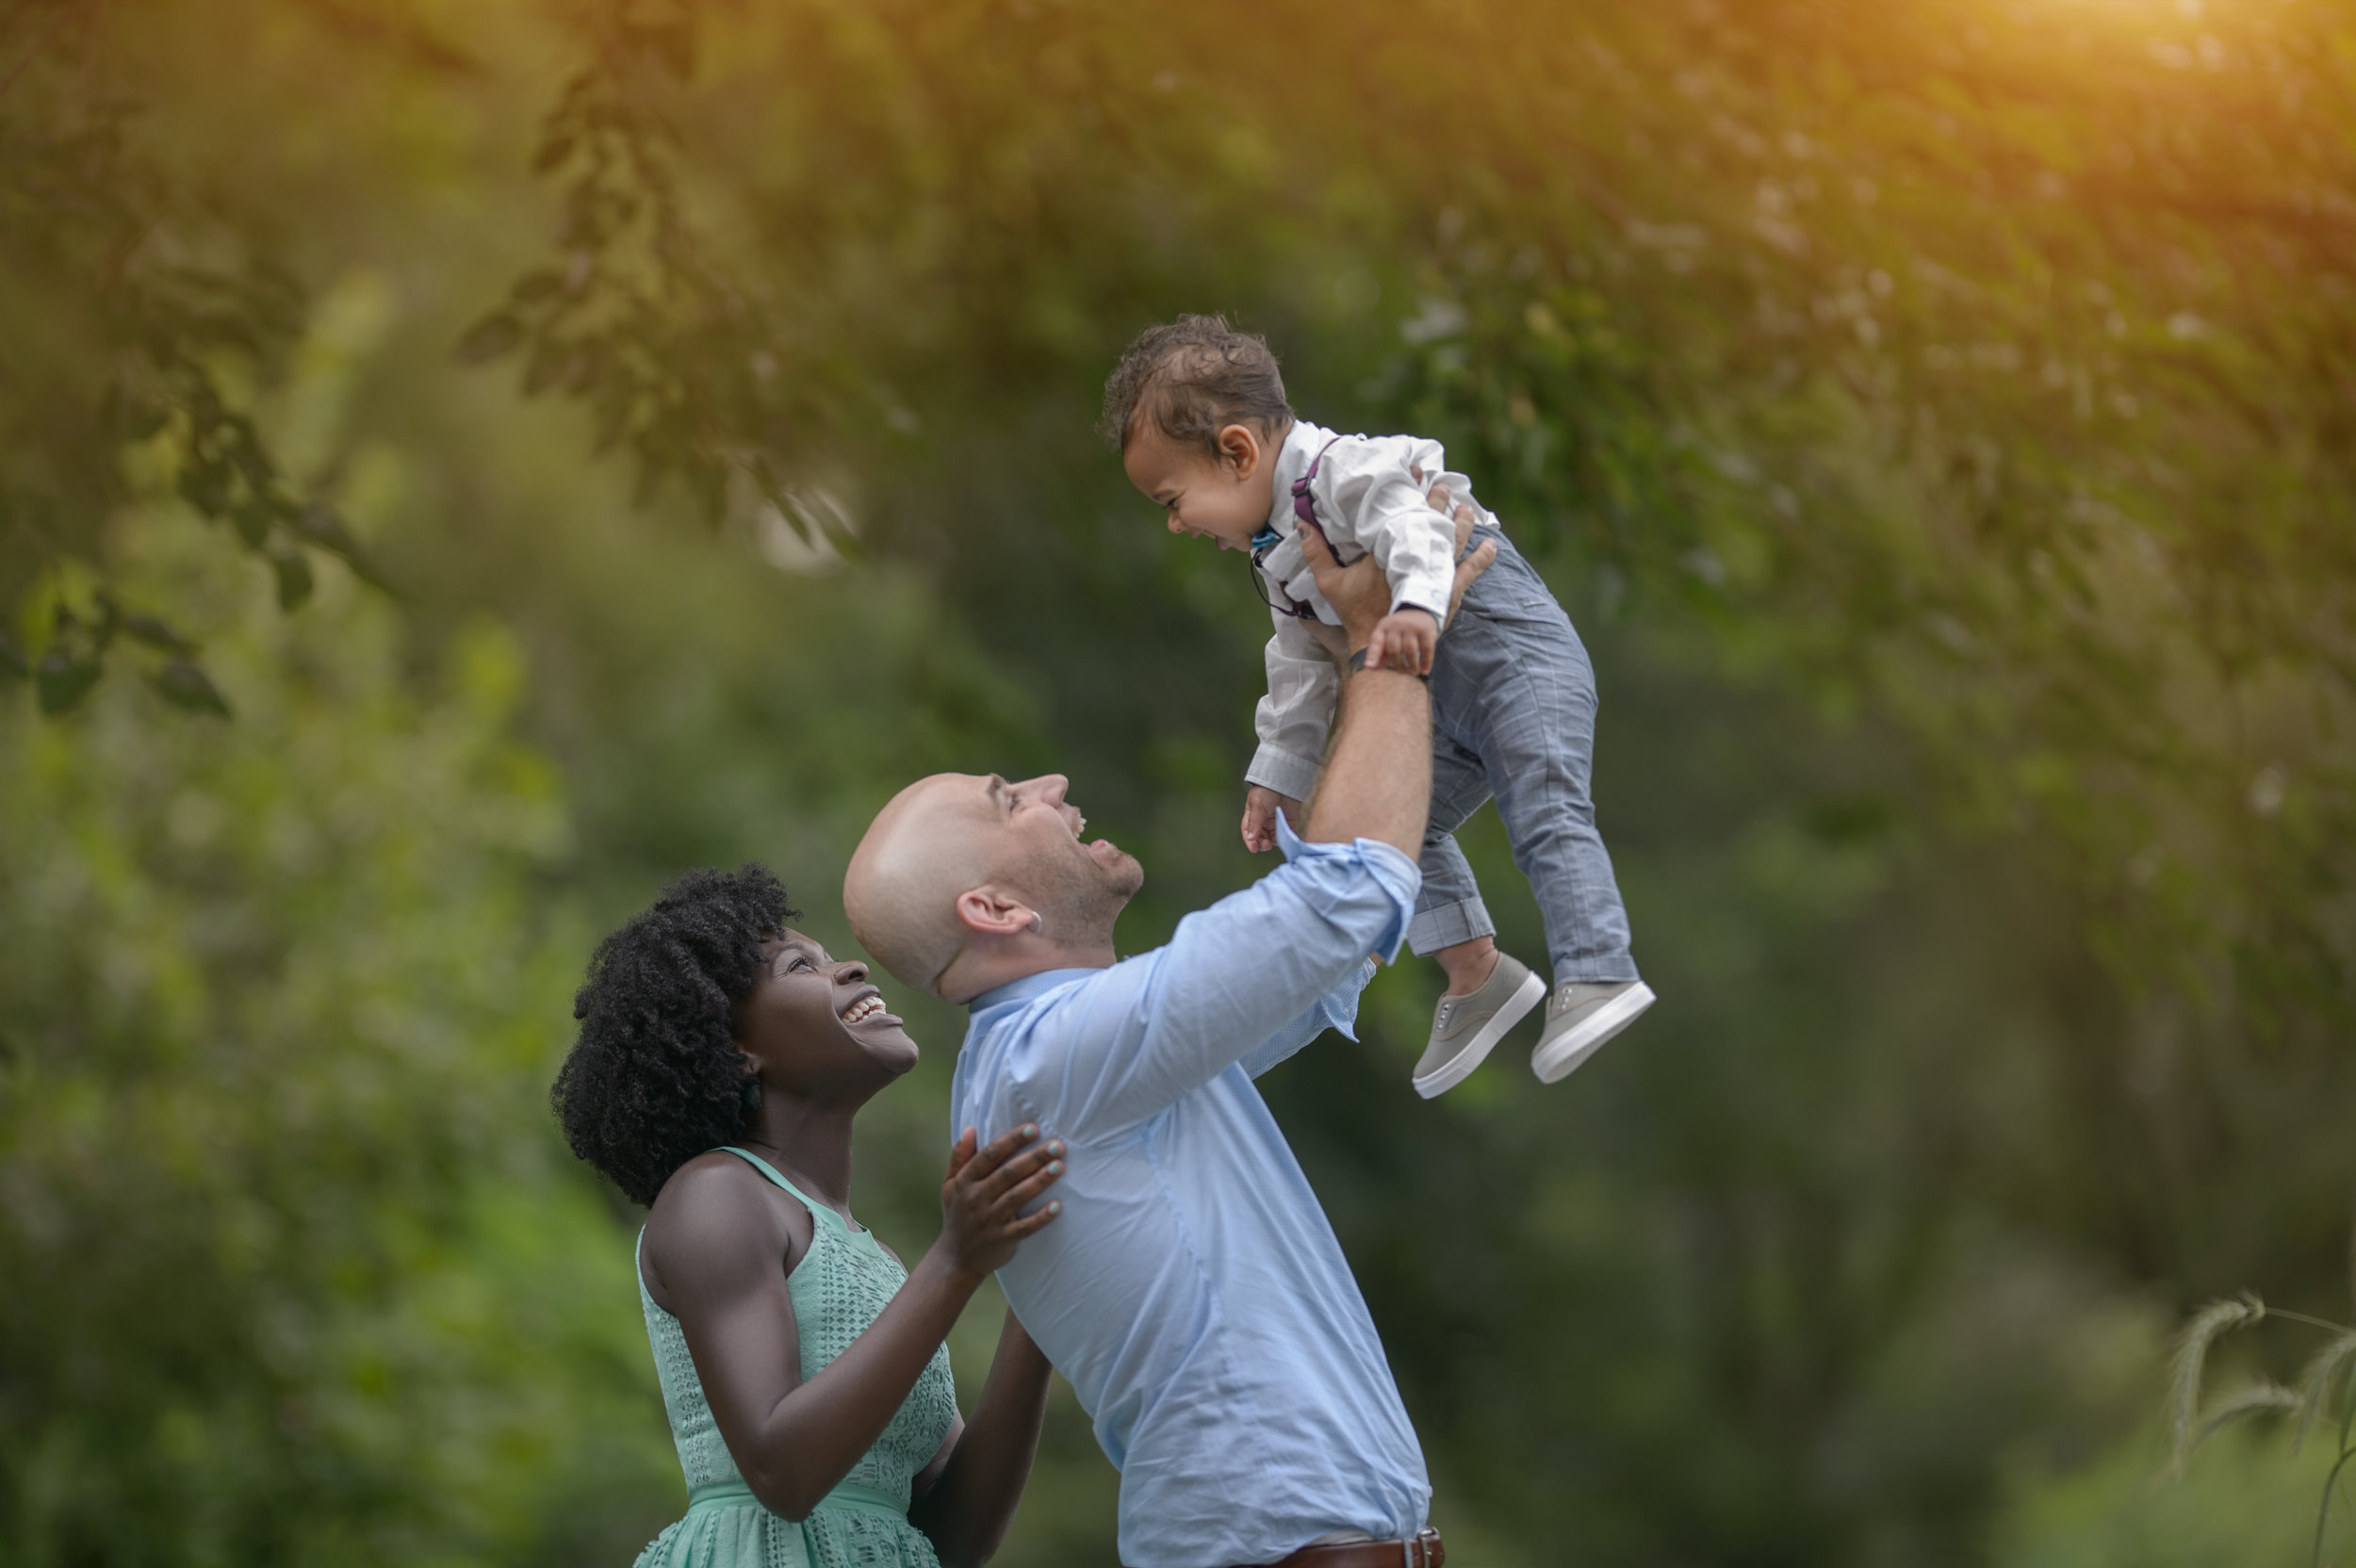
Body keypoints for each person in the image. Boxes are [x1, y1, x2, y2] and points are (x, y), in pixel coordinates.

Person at [841, 492, 1492, 1568]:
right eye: (1011, 801)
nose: (1051, 786)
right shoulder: (1055, 1058)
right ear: (994, 911)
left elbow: (1323, 956)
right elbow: (1344, 903)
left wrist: (1341, 662)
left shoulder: (1082, 1057)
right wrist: (1393, 645)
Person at [1101, 313, 1656, 1098]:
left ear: (1236, 453)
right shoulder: (1275, 551)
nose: (1175, 523)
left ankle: (1600, 969)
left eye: (1172, 498)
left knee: (1546, 807)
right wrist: (1279, 772)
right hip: (1444, 703)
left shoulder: (1344, 472)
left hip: (1514, 656)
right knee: (1394, 831)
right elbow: (1298, 663)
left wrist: (1420, 611)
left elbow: (1419, 530)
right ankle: (1477, 973)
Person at [552, 865, 1067, 1568]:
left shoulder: (874, 1257)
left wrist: (1035, 1302)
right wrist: (956, 1261)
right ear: (739, 1051)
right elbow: (782, 1474)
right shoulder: (717, 1195)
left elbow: (953, 1539)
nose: (851, 966)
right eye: (802, 965)